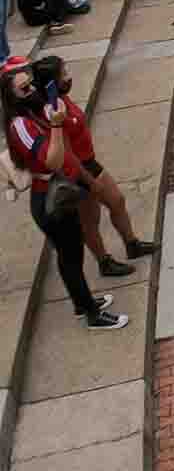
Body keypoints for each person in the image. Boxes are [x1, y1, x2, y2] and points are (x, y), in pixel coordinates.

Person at [3, 61, 128, 330]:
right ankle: (91, 314)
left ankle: (82, 303)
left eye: (31, 84)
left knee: (71, 253)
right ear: (12, 96)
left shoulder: (33, 114)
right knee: (70, 256)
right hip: (49, 199)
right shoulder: (20, 125)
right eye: (25, 88)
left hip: (59, 192)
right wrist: (57, 126)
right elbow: (51, 160)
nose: (33, 90)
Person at [31, 55, 157, 278]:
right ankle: (104, 261)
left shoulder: (61, 100)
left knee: (117, 201)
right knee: (90, 220)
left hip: (89, 161)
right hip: (78, 171)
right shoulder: (52, 113)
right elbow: (67, 154)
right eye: (64, 73)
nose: (69, 77)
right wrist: (89, 182)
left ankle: (131, 243)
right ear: (52, 82)